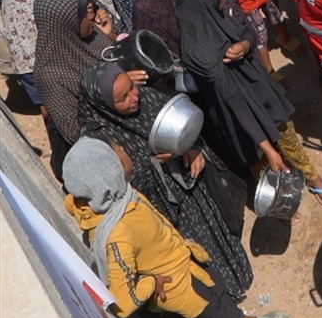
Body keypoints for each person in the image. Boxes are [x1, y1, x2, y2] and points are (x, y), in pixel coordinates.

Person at [62, 138, 297, 318]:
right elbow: (123, 303)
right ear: (108, 171)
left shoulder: (120, 197)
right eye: (117, 150)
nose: (123, 147)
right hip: (183, 287)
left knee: (221, 296)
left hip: (190, 263)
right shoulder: (116, 233)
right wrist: (151, 283)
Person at [78, 63, 255, 300]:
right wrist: (153, 162)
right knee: (192, 248)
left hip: (190, 186)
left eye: (132, 87)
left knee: (214, 230)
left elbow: (183, 125)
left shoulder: (149, 99)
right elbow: (117, 188)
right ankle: (222, 297)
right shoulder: (99, 140)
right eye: (123, 98)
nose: (134, 97)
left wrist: (191, 147)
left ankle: (237, 274)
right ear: (104, 104)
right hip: (162, 209)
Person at [175, 0, 322, 207]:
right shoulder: (199, 55)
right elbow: (233, 100)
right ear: (204, 0)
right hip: (237, 115)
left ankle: (311, 176)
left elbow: (246, 30)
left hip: (259, 91)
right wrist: (267, 147)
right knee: (257, 158)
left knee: (285, 134)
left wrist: (245, 44)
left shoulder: (218, 15)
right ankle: (280, 198)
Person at [33, 0, 123, 181]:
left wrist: (111, 36)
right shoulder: (50, 75)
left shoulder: (92, 34)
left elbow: (116, 57)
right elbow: (76, 132)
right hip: (100, 155)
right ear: (66, 22)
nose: (92, 17)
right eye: (84, 13)